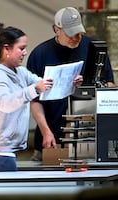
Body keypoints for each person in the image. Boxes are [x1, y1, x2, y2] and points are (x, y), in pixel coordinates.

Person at [26, 7, 115, 161]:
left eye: (78, 32)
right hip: (51, 140)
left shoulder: (94, 49)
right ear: (56, 29)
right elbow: (34, 101)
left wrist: (87, 86)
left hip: (88, 139)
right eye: (70, 33)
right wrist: (46, 131)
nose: (75, 37)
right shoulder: (40, 55)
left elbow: (111, 86)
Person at [0, 26, 57, 172]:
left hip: (6, 151)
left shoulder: (20, 72)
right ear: (7, 49)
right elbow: (4, 103)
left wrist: (69, 80)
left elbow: (45, 83)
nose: (25, 52)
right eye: (21, 48)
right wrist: (34, 89)